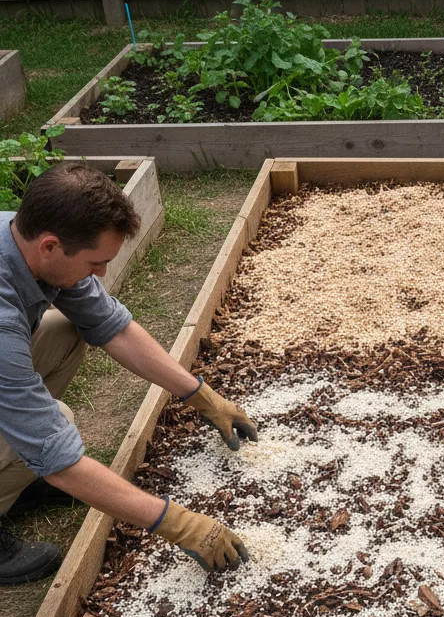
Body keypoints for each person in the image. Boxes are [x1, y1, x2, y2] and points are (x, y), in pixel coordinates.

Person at [0, 162, 256, 584]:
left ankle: (16, 478)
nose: (101, 274)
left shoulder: (23, 236)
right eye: (95, 262)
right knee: (56, 422)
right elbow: (57, 456)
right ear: (49, 246)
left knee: (61, 332)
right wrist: (179, 524)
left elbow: (109, 325)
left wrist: (201, 396)